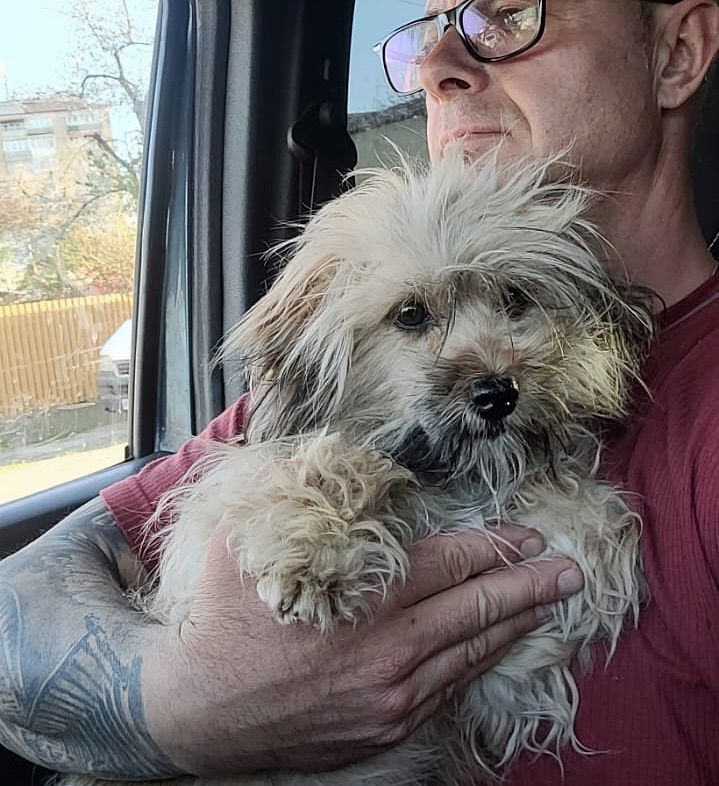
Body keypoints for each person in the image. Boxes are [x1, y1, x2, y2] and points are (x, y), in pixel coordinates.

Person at [0, 0, 717, 784]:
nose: (437, 66)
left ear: (678, 50)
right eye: (428, 29)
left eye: (509, 15)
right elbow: (19, 600)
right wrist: (184, 703)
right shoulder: (342, 407)